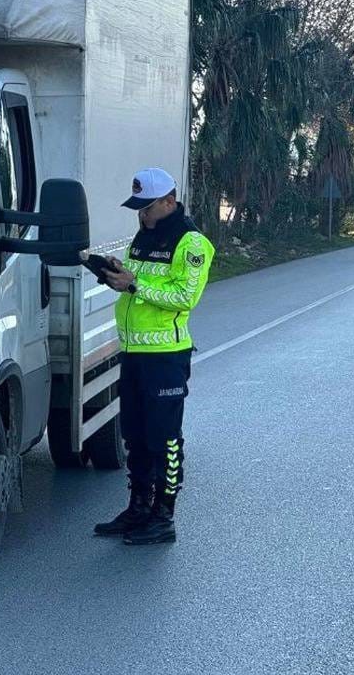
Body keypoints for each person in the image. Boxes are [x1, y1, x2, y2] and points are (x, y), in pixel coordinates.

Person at [94, 167, 215, 546]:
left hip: (165, 355)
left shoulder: (192, 243)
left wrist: (136, 284)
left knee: (165, 439)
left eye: (147, 207)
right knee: (136, 435)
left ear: (169, 201)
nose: (142, 215)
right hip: (133, 351)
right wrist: (117, 275)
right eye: (138, 208)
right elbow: (139, 285)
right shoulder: (143, 236)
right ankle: (138, 507)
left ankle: (164, 516)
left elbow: (185, 297)